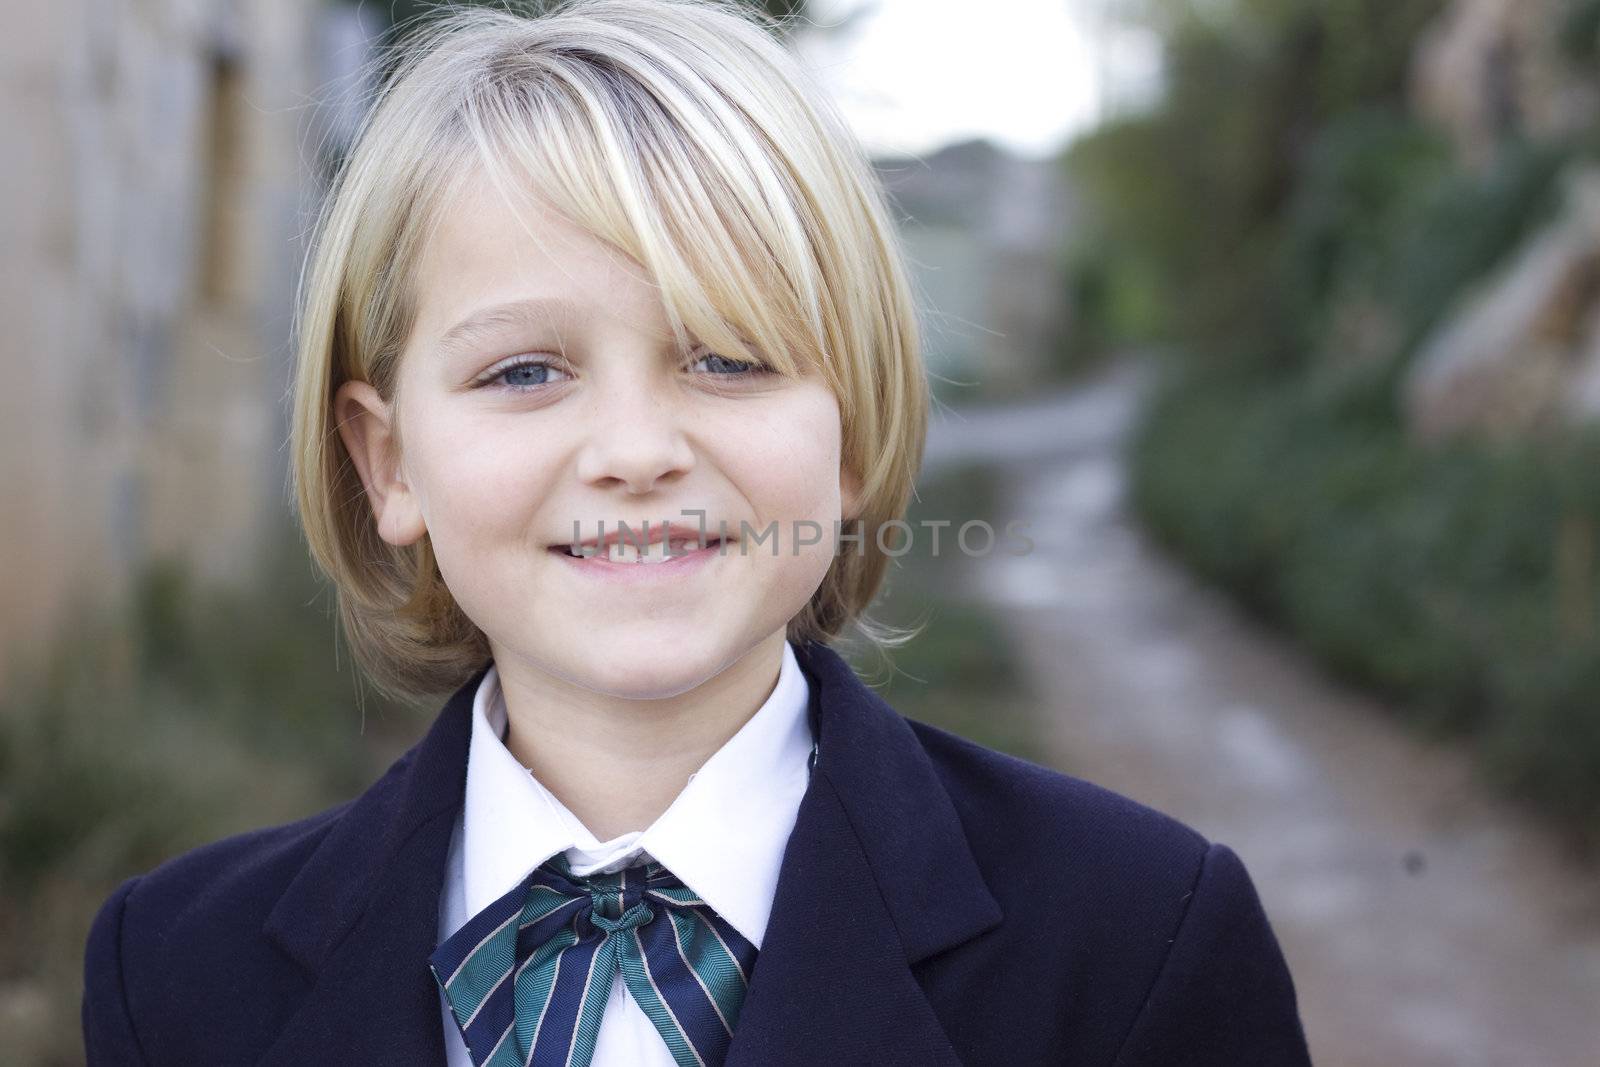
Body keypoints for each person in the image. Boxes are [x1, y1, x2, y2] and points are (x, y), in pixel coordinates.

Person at [81, 1, 1312, 1064]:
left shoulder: (1137, 937)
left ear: (851, 433)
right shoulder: (175, 971)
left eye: (728, 357)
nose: (634, 447)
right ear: (388, 460)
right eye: (523, 370)